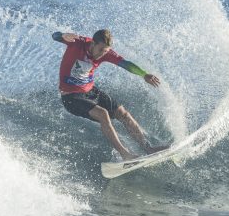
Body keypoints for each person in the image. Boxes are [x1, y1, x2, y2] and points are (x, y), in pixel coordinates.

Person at [53, 29, 167, 160]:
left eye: (106, 51)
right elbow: (54, 36)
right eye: (100, 49)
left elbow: (126, 64)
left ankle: (148, 148)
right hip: (71, 97)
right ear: (93, 43)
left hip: (90, 91)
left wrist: (144, 74)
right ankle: (125, 154)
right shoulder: (77, 43)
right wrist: (62, 35)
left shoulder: (106, 53)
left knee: (123, 113)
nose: (102, 54)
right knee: (103, 114)